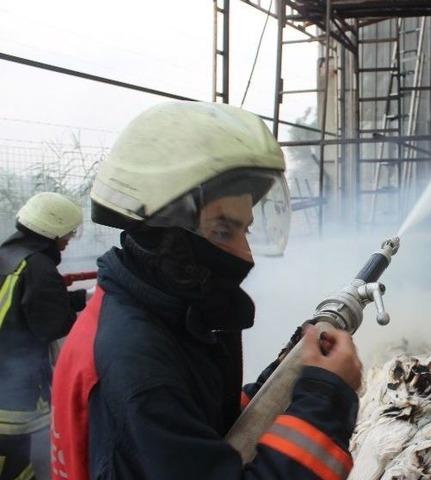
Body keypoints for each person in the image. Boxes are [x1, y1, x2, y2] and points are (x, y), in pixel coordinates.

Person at [51, 102, 363, 480]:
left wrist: (287, 375)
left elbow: (200, 430)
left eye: (245, 230)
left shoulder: (156, 318)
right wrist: (326, 400)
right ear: (165, 235)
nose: (245, 254)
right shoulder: (140, 370)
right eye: (222, 230)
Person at [0, 192, 86, 480]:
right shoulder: (39, 267)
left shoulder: (8, 255)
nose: (69, 239)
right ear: (54, 229)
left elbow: (21, 305)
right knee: (19, 466)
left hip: (4, 379)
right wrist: (74, 313)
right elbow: (51, 326)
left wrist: (78, 298)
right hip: (18, 397)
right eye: (69, 232)